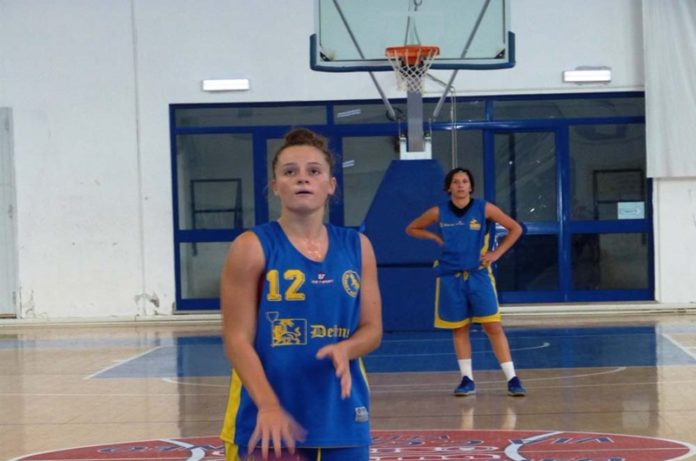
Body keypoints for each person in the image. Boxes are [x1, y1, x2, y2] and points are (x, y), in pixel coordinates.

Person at [219, 127, 383, 461]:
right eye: (290, 172)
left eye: (314, 171)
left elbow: (372, 329)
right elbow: (236, 339)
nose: (302, 178)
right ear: (275, 186)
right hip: (265, 417)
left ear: (331, 185)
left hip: (342, 416)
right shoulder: (251, 246)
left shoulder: (358, 247)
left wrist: (346, 348)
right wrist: (268, 405)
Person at [405, 167, 526, 397]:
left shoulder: (484, 208)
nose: (460, 185)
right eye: (456, 181)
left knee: (493, 326)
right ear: (448, 187)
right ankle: (467, 379)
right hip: (450, 277)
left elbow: (515, 228)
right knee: (460, 328)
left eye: (464, 181)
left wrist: (496, 254)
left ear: (471, 187)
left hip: (479, 275)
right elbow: (412, 228)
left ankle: (512, 378)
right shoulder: (438, 212)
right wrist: (433, 236)